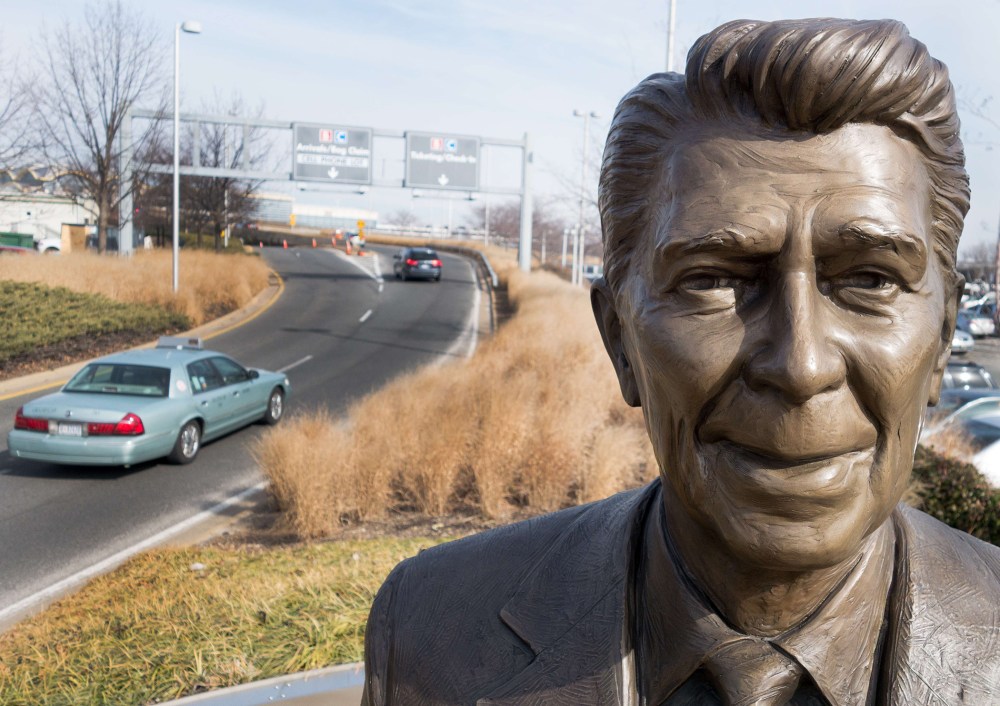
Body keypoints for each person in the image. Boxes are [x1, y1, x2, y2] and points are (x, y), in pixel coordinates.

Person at [362, 18, 1000, 705]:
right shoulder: (429, 633)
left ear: (940, 333)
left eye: (870, 279)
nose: (801, 365)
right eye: (715, 279)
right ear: (620, 341)